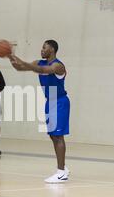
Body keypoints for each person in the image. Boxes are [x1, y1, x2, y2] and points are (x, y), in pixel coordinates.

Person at [7, 40, 71, 183]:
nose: (41, 50)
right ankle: (63, 168)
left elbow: (43, 71)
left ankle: (61, 173)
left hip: (60, 101)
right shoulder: (39, 62)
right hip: (50, 101)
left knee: (58, 136)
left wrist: (30, 66)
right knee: (53, 136)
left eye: (44, 47)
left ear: (52, 49)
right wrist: (10, 55)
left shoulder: (58, 66)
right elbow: (20, 67)